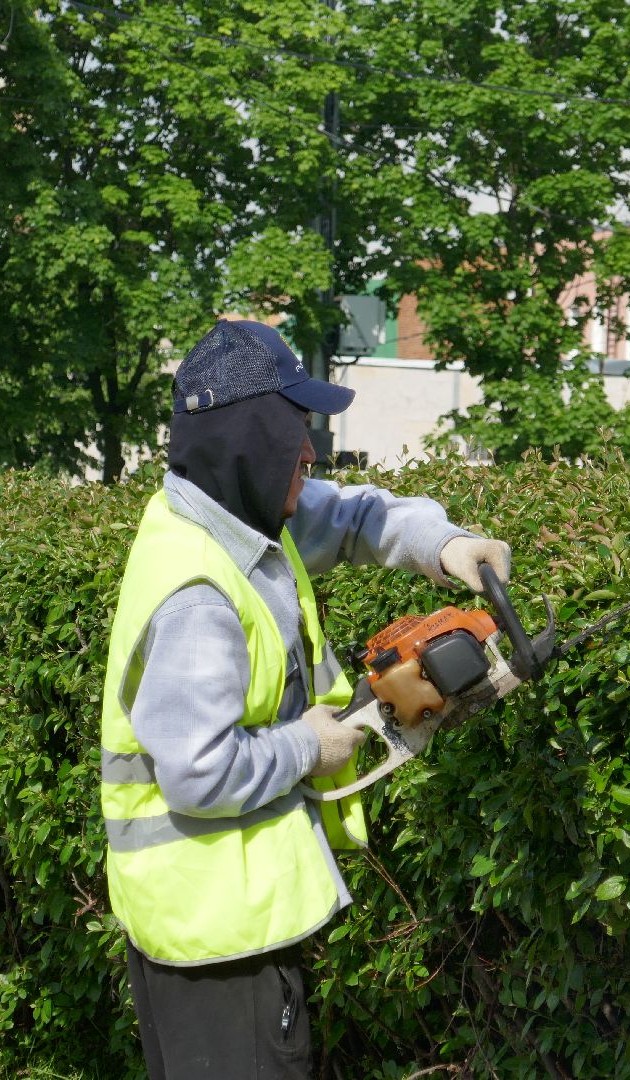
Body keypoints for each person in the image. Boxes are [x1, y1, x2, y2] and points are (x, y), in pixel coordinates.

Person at [100, 319, 512, 1079]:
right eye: (295, 430)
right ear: (249, 439)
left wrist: (447, 546)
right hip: (218, 941)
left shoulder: (229, 516)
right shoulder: (199, 592)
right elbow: (197, 774)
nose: (311, 454)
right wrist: (312, 747)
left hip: (215, 926)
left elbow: (355, 515)